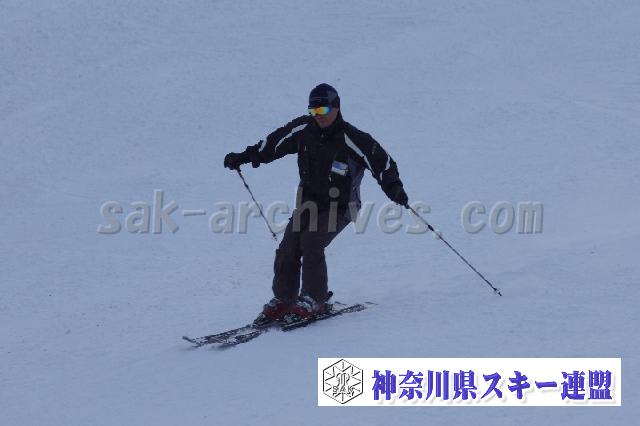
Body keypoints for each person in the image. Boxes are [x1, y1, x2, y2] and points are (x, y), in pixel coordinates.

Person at [224, 83, 408, 324]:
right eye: (313, 111)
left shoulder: (352, 138)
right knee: (289, 245)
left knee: (311, 240)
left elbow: (382, 162)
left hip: (342, 206)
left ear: (337, 107)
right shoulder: (304, 129)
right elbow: (273, 143)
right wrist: (245, 156)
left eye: (323, 110)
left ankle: (314, 299)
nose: (318, 116)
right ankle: (284, 299)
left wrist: (394, 188)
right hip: (309, 203)